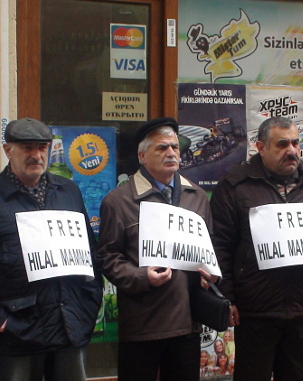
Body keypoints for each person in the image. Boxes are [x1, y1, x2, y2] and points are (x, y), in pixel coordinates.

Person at [0, 118, 102, 381]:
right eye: (27, 148)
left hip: (69, 326)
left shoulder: (68, 191)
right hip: (18, 334)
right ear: (8, 150)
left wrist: (89, 305)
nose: (37, 155)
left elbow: (90, 253)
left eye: (42, 147)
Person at [210, 116, 303, 381]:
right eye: (282, 144)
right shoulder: (235, 186)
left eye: (295, 143)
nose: (291, 150)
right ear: (261, 147)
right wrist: (228, 298)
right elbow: (220, 245)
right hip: (256, 308)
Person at [96, 117, 215, 381]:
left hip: (187, 324)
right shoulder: (119, 201)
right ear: (142, 155)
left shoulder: (196, 196)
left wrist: (210, 273)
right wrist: (141, 276)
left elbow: (209, 248)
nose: (171, 153)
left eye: (175, 147)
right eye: (162, 148)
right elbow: (107, 256)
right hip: (143, 325)